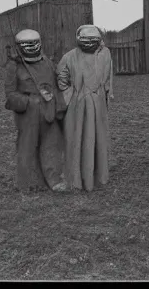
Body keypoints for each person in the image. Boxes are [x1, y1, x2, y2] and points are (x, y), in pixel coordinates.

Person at [4, 29, 67, 192]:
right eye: (26, 44)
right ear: (19, 46)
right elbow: (10, 95)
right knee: (28, 146)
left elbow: (55, 85)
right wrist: (30, 101)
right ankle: (29, 182)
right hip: (28, 114)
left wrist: (59, 107)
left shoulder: (46, 62)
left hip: (49, 110)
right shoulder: (13, 66)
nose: (31, 47)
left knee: (52, 144)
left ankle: (54, 180)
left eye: (34, 43)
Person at [56, 25, 114, 191]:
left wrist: (104, 95)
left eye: (93, 40)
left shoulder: (105, 54)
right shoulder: (69, 57)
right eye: (85, 40)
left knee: (98, 138)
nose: (89, 43)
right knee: (77, 137)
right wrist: (72, 95)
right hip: (78, 105)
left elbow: (109, 76)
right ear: (78, 39)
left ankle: (98, 175)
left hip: (99, 103)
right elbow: (61, 79)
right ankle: (77, 177)